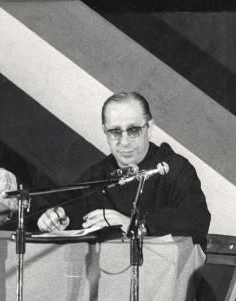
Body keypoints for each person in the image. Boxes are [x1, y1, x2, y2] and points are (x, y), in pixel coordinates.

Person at [37, 92, 211, 246]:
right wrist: (57, 219)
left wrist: (136, 224)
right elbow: (71, 208)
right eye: (115, 131)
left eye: (133, 130)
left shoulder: (174, 168)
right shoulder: (97, 174)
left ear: (149, 128)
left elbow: (197, 219)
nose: (124, 141)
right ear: (105, 131)